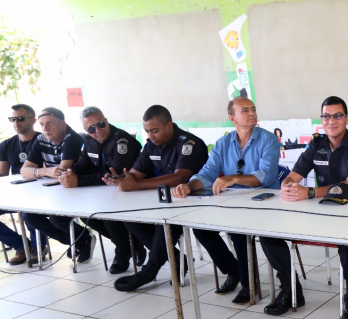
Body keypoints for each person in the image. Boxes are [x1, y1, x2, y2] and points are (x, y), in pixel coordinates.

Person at [259, 96, 348, 319]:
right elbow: (294, 175)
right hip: (320, 210)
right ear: (322, 119)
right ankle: (291, 289)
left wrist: (309, 193)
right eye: (326, 116)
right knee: (268, 233)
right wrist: (288, 186)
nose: (332, 120)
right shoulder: (316, 144)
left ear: (346, 118)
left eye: (338, 115)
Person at [172, 97, 280, 304]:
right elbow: (208, 173)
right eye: (245, 110)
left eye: (253, 109)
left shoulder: (268, 140)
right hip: (232, 202)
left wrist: (234, 178)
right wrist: (189, 185)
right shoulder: (223, 143)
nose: (252, 113)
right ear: (232, 118)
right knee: (201, 228)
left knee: (238, 232)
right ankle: (233, 270)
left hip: (265, 201)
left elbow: (267, 175)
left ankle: (250, 286)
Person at [110, 105, 209, 292]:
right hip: (165, 201)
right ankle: (179, 260)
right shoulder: (150, 146)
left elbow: (180, 178)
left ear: (169, 125)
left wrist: (136, 185)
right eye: (147, 131)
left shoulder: (189, 144)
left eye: (154, 130)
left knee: (163, 225)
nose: (150, 135)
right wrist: (120, 180)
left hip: (193, 202)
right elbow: (135, 175)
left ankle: (149, 271)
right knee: (132, 220)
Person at [58, 106, 145, 274]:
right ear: (85, 130)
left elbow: (115, 175)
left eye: (100, 124)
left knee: (106, 215)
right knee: (86, 215)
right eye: (91, 128)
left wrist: (79, 181)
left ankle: (123, 252)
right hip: (106, 193)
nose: (97, 131)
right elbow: (84, 163)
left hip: (131, 192)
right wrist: (70, 174)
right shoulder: (89, 141)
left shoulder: (122, 141)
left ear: (106, 120)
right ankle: (132, 245)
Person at [20, 107, 93, 264]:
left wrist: (42, 171)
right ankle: (79, 241)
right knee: (29, 216)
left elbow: (61, 172)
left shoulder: (72, 139)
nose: (45, 129)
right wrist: (45, 171)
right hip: (56, 192)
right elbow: (24, 170)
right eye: (42, 124)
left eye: (50, 123)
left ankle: (82, 238)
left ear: (63, 124)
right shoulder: (41, 139)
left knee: (56, 218)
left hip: (79, 190)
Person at [0, 104, 39, 265]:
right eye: (13, 119)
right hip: (15, 192)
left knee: (30, 212)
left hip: (39, 192)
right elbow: (2, 173)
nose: (16, 122)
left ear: (33, 120)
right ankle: (22, 245)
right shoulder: (6, 145)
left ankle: (39, 247)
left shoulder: (43, 141)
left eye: (20, 118)